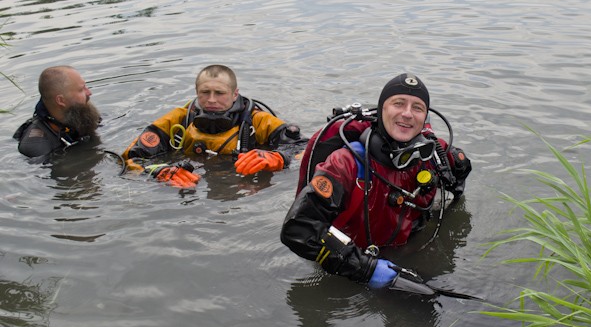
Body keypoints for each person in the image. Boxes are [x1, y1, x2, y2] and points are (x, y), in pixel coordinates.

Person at [280, 73, 472, 290]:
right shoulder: (346, 163)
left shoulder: (433, 156)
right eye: (398, 103)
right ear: (382, 110)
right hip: (351, 265)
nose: (407, 113)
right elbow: (297, 230)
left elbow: (460, 174)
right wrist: (366, 270)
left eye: (417, 107)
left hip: (407, 252)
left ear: (425, 117)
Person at [122, 64, 306, 188]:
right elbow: (131, 158)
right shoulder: (178, 120)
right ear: (196, 92)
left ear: (235, 94)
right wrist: (158, 171)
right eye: (205, 92)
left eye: (219, 93)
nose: (211, 100)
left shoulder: (258, 120)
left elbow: (305, 149)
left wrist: (280, 158)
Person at [14, 66, 101, 160]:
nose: (89, 92)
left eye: (85, 87)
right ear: (61, 100)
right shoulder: (36, 147)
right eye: (81, 90)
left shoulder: (81, 115)